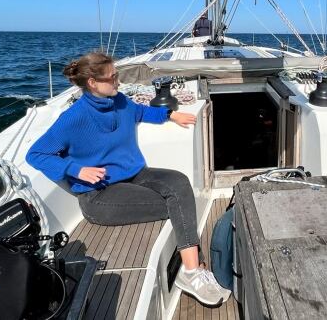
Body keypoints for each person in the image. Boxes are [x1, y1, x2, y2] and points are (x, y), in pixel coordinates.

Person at [26, 52, 229, 306]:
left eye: (117, 76)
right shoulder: (73, 118)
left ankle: (190, 273)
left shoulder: (119, 101)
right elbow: (36, 154)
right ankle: (192, 271)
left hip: (136, 175)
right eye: (112, 78)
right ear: (92, 83)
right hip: (99, 196)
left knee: (180, 183)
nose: (118, 82)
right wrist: (76, 170)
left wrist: (170, 115)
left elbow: (141, 112)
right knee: (178, 203)